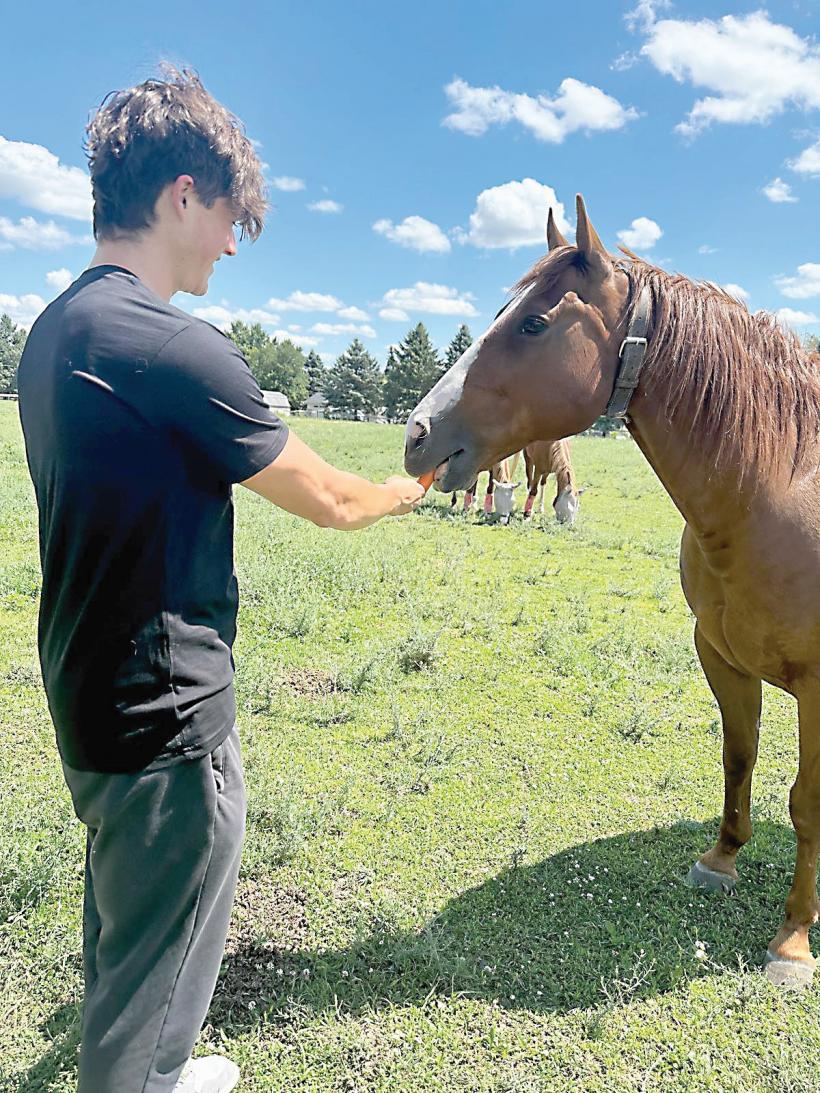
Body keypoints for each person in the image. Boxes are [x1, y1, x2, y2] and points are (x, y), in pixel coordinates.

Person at [16, 67, 424, 1093]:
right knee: (166, 925)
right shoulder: (175, 350)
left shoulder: (53, 332)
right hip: (164, 714)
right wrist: (404, 488)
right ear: (183, 193)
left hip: (86, 685)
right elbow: (328, 498)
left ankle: (153, 1067)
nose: (233, 246)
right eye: (232, 218)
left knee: (128, 913)